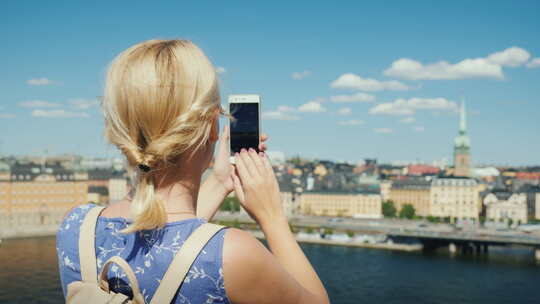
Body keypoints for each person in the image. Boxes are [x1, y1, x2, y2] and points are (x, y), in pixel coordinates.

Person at [56, 39, 329, 304]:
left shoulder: (76, 225)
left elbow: (172, 243)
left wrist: (221, 181)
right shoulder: (233, 255)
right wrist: (273, 218)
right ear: (212, 126)